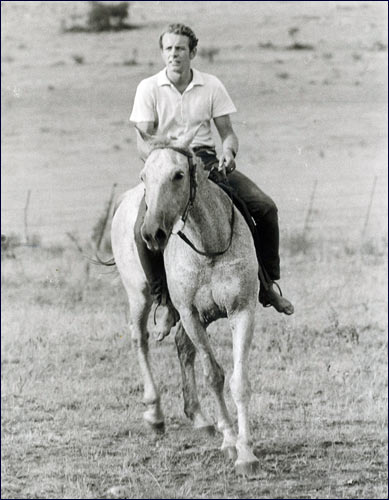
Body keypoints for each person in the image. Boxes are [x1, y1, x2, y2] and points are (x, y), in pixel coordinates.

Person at [130, 23, 294, 338]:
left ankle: (267, 284)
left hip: (204, 162)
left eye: (180, 49)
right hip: (164, 167)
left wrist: (229, 153)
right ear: (162, 52)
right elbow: (142, 143)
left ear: (192, 52)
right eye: (168, 48)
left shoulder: (211, 85)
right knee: (142, 231)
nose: (174, 54)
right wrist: (158, 155)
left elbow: (228, 133)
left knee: (263, 207)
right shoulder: (148, 88)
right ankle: (164, 302)